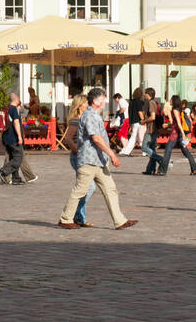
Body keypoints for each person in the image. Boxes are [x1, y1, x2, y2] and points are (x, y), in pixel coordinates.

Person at [56, 88, 136, 230]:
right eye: (102, 99)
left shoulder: (94, 114)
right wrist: (112, 154)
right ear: (95, 101)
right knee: (80, 190)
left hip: (98, 161)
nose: (105, 101)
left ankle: (119, 220)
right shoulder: (90, 116)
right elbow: (96, 138)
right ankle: (66, 218)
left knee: (110, 189)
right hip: (89, 160)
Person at [61, 94, 95, 226]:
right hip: (77, 157)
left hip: (84, 156)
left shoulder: (84, 118)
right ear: (80, 105)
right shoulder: (76, 120)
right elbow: (68, 138)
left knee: (84, 187)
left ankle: (80, 218)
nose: (88, 105)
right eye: (86, 103)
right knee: (88, 186)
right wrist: (78, 151)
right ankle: (75, 213)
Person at [157, 96, 196, 177]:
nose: (169, 100)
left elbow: (178, 123)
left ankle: (162, 170)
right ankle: (195, 169)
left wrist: (183, 134)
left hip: (175, 134)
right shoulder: (180, 110)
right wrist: (168, 125)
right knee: (185, 151)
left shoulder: (175, 110)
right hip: (180, 133)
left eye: (171, 99)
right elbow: (175, 122)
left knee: (168, 150)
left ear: (174, 101)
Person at [0, 92, 28, 185]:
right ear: (17, 99)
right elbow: (16, 122)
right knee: (19, 157)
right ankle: (3, 171)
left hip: (6, 137)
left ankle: (16, 178)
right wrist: (19, 136)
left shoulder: (6, 108)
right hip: (13, 137)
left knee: (13, 158)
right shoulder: (14, 109)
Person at [120, 87, 146, 156]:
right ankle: (145, 151)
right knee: (141, 137)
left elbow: (129, 113)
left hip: (133, 122)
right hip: (139, 121)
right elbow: (140, 112)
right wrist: (143, 120)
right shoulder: (139, 102)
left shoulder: (131, 102)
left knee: (134, 137)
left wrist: (130, 122)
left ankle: (126, 151)